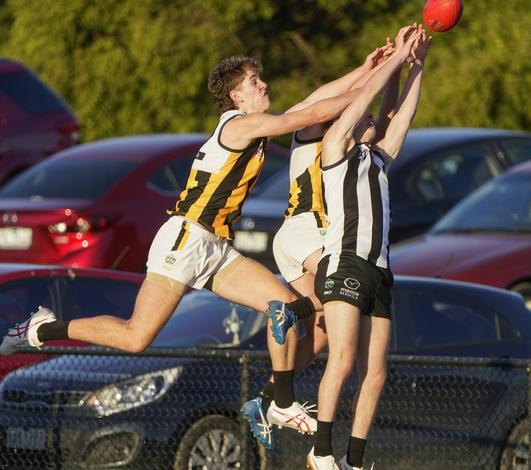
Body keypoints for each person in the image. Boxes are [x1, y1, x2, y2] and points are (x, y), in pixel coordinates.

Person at [0, 55, 360, 449]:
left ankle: (276, 402)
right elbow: (310, 112)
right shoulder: (242, 125)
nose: (263, 86)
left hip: (216, 246)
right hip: (186, 240)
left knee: (286, 305)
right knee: (136, 337)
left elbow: (313, 101)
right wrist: (371, 87)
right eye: (255, 81)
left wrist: (373, 66)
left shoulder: (254, 125)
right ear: (237, 95)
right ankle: (40, 329)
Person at [242, 41, 399, 449]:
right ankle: (290, 310)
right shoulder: (311, 129)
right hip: (306, 229)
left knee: (325, 335)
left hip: (302, 238)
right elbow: (319, 101)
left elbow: (385, 117)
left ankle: (265, 399)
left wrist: (372, 67)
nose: (359, 115)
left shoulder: (346, 145)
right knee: (342, 295)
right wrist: (370, 75)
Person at [306, 25, 430, 470]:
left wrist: (417, 62)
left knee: (374, 375)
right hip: (346, 265)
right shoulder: (335, 148)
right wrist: (391, 60)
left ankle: (355, 460)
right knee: (341, 361)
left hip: (380, 270)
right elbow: (366, 100)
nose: (374, 117)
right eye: (364, 116)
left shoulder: (377, 156)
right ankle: (322, 453)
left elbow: (401, 115)